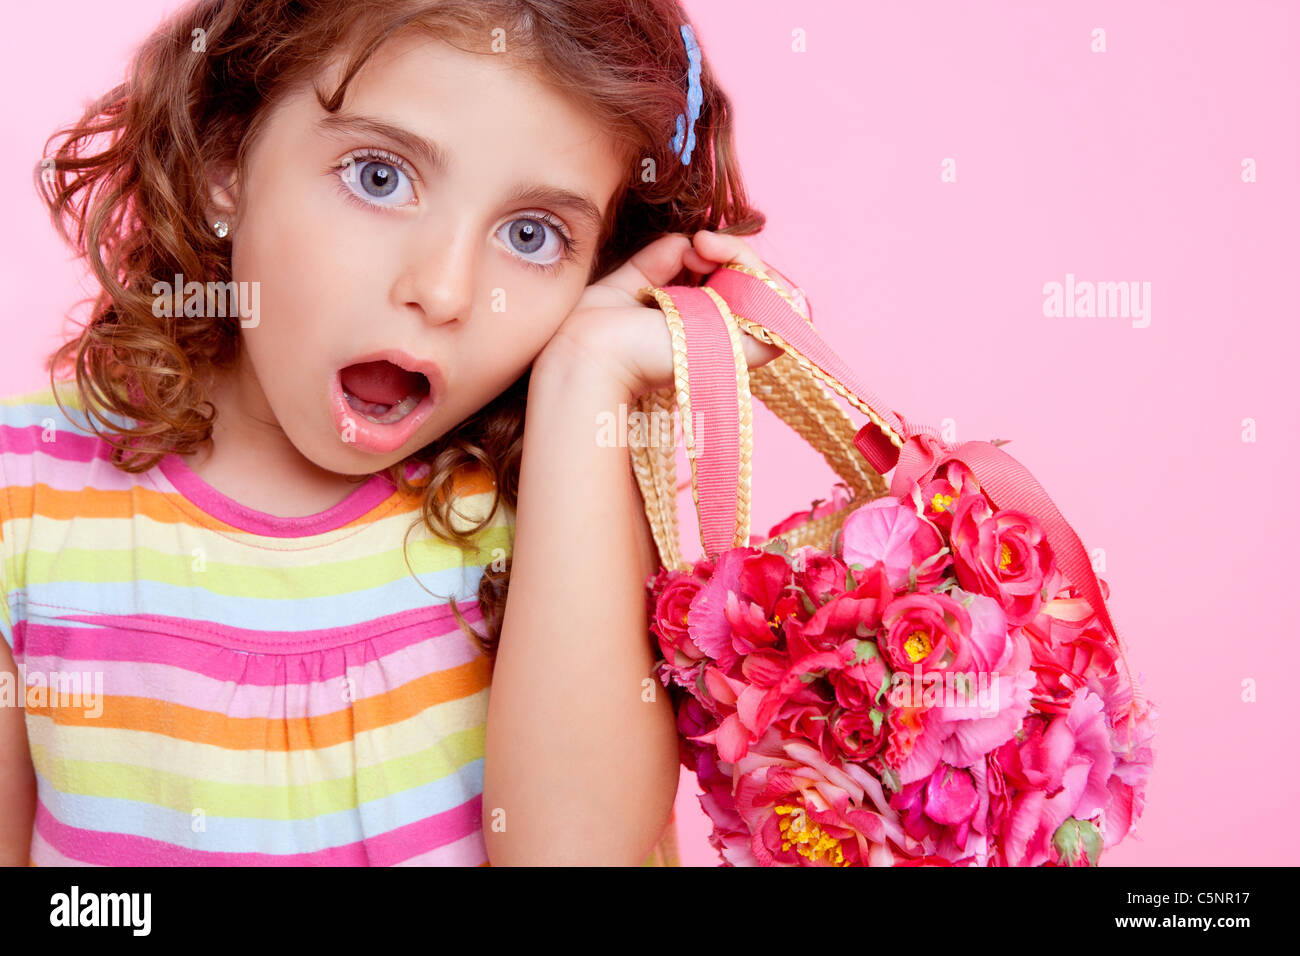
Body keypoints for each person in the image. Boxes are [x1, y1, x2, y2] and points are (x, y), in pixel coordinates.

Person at [0, 0, 789, 866]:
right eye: (379, 176)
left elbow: (575, 856)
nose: (445, 290)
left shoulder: (551, 516)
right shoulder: (26, 496)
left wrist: (585, 376)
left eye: (532, 236)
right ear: (229, 155)